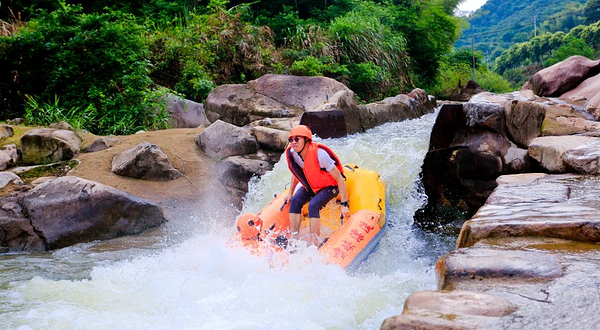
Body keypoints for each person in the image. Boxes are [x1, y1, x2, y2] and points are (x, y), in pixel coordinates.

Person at [283, 125, 350, 245]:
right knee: (295, 201)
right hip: (312, 184)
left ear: (306, 140)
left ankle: (314, 242)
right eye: (291, 140)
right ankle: (294, 240)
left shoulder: (321, 155)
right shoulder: (294, 153)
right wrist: (290, 193)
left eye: (297, 139)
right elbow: (296, 173)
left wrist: (344, 204)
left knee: (313, 205)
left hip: (330, 186)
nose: (293, 143)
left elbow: (340, 179)